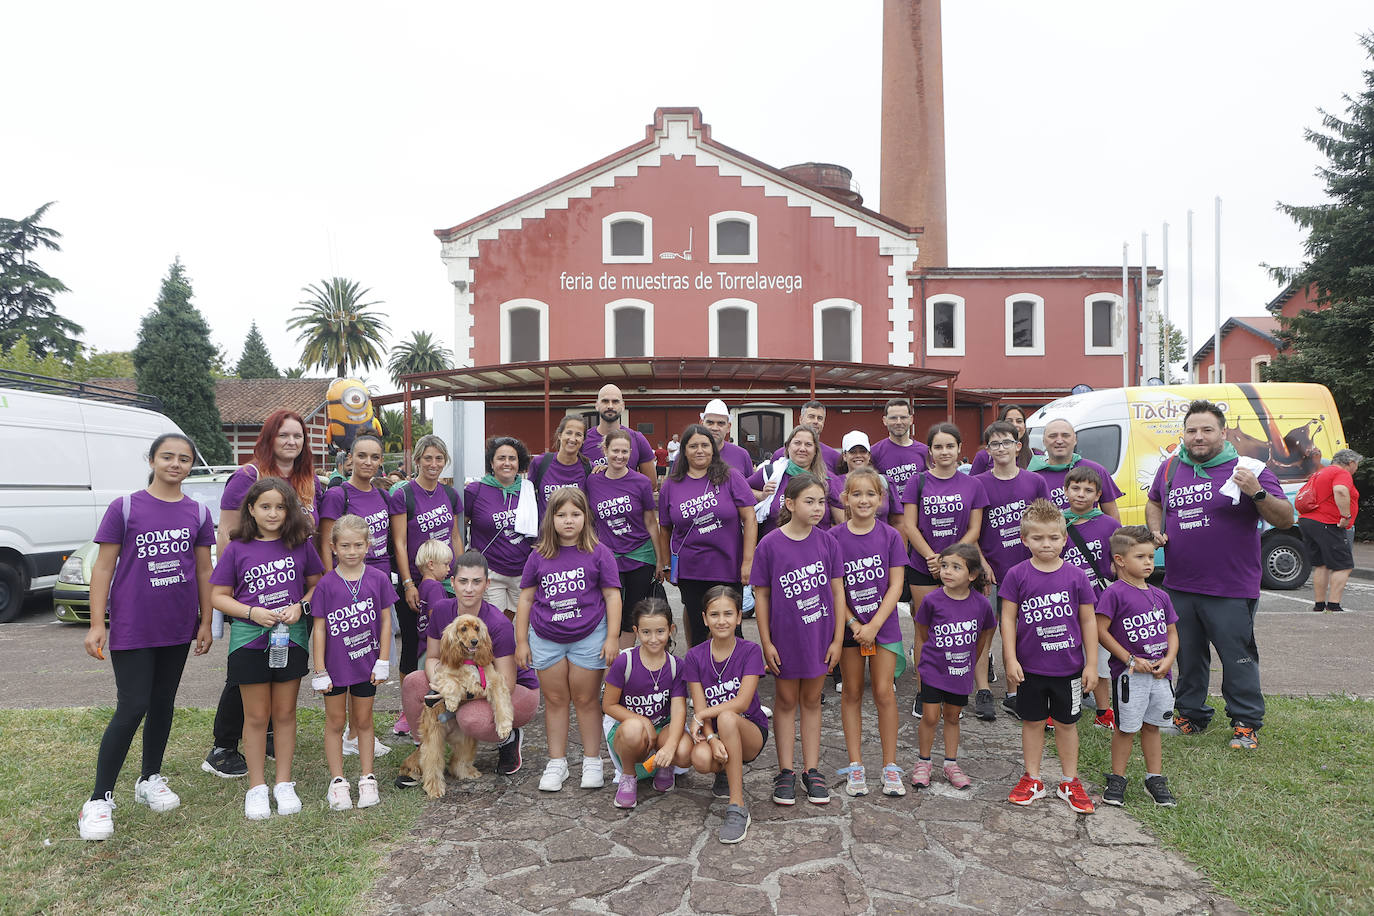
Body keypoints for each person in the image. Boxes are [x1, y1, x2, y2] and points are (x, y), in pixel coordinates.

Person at [79, 433, 215, 841]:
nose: (176, 464)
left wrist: (205, 622)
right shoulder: (126, 507)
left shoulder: (198, 512)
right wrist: (96, 622)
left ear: (192, 465)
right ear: (153, 460)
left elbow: (205, 571)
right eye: (168, 457)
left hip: (176, 625)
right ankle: (98, 800)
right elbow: (103, 568)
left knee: (162, 703)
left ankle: (149, 778)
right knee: (133, 704)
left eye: (184, 459)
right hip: (133, 624)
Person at [1145, 400, 1293, 749]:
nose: (1198, 437)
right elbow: (1154, 501)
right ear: (1184, 433)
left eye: (1207, 430)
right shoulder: (1169, 469)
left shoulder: (1247, 467)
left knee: (1237, 656)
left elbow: (1286, 518)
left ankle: (1245, 722)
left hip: (1230, 586)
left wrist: (1256, 492)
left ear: (1222, 433)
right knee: (1187, 656)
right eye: (1192, 430)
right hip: (1180, 583)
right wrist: (1155, 530)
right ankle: (1190, 715)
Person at [203, 409, 324, 780]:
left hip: (291, 584)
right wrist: (241, 587)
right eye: (284, 435)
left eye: (298, 436)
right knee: (246, 669)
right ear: (269, 438)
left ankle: (271, 734)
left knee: (282, 660)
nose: (292, 442)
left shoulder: (306, 480)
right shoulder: (248, 477)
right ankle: (224, 745)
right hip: (250, 591)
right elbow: (226, 532)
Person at [210, 478, 323, 819]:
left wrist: (300, 607)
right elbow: (218, 596)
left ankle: (284, 783)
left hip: (292, 639)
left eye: (280, 507)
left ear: (289, 511)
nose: (273, 513)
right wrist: (251, 612)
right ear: (251, 509)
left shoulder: (301, 544)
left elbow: (318, 586)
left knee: (285, 714)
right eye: (265, 506)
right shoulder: (236, 547)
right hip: (248, 641)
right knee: (257, 717)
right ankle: (257, 788)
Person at [397, 550, 541, 786]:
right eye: (463, 581)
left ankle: (508, 737)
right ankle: (426, 751)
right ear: (452, 582)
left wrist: (458, 695)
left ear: (487, 584)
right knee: (414, 682)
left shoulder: (497, 624)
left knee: (470, 718)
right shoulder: (442, 610)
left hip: (514, 691)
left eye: (476, 582)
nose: (469, 589)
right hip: (463, 676)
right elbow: (432, 657)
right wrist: (440, 685)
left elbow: (506, 682)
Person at [515, 487, 622, 792]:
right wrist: (521, 641)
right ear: (551, 518)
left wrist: (612, 636)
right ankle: (557, 762)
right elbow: (525, 600)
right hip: (546, 637)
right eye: (561, 515)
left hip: (589, 636)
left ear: (585, 517)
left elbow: (612, 596)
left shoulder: (599, 552)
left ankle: (592, 761)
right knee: (556, 700)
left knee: (587, 700)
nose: (569, 520)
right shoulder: (539, 555)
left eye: (575, 514)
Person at [999, 499, 1099, 814]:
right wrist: (1010, 659)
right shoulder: (1016, 575)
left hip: (1068, 669)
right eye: (1038, 538)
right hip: (1030, 668)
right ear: (1024, 539)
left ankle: (1070, 781)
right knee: (1033, 722)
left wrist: (1092, 663)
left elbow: (1088, 620)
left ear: (1064, 537)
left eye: (1053, 538)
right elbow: (1007, 619)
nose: (1046, 544)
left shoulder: (1076, 576)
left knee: (1067, 724)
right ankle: (1033, 779)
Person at [752, 474, 846, 807]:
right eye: (809, 501)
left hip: (820, 637)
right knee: (786, 701)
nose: (818, 508)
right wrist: (766, 642)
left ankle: (812, 769)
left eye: (822, 501)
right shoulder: (770, 544)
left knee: (812, 700)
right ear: (789, 504)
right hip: (785, 639)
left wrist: (837, 639)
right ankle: (786, 771)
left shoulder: (828, 542)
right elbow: (761, 597)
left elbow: (837, 592)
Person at [830, 466, 907, 797]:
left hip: (883, 626)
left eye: (870, 494)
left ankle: (890, 766)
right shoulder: (834, 538)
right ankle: (856, 764)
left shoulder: (890, 535)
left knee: (884, 692)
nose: (864, 500)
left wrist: (874, 625)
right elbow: (835, 590)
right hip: (849, 629)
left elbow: (896, 584)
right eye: (857, 494)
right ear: (845, 498)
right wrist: (853, 624)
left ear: (881, 499)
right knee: (851, 692)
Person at [318, 433, 396, 759]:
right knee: (346, 653)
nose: (367, 462)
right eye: (361, 456)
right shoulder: (338, 494)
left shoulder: (383, 495)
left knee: (369, 651)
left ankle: (358, 731)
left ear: (381, 461)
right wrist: (329, 583)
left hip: (375, 579)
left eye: (374, 457)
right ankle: (349, 732)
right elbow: (326, 543)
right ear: (350, 458)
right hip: (344, 582)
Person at [309, 513, 393, 810]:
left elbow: (385, 621)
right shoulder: (326, 585)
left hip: (366, 665)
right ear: (333, 547)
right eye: (345, 546)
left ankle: (367, 778)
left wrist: (383, 659)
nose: (352, 551)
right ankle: (338, 781)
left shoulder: (379, 579)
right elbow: (319, 627)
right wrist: (319, 669)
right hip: (334, 667)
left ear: (368, 545)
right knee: (335, 722)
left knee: (364, 721)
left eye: (358, 545)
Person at [675, 586, 768, 845]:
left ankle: (737, 806)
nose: (721, 620)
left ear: (739, 617)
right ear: (704, 618)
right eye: (714, 614)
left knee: (727, 715)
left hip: (749, 730)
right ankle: (724, 771)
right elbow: (700, 705)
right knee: (701, 758)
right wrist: (711, 738)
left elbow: (742, 702)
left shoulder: (750, 650)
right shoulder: (694, 656)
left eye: (728, 613)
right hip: (716, 731)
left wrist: (702, 714)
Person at [1096, 526, 1180, 808]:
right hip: (1130, 677)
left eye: (1151, 556)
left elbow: (1172, 633)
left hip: (1160, 675)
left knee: (1153, 726)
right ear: (1120, 560)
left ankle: (1154, 778)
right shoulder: (1114, 594)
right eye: (1141, 556)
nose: (1148, 562)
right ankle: (1117, 778)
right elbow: (1101, 631)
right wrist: (1129, 659)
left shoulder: (1161, 595)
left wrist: (1168, 660)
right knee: (1126, 728)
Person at [389, 434, 465, 737]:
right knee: (412, 644)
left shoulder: (451, 494)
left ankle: (444, 702)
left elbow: (456, 535)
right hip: (417, 582)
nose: (433, 464)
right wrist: (408, 583)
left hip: (446, 581)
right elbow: (398, 541)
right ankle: (407, 710)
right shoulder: (403, 494)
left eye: (439, 458)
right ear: (417, 460)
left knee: (445, 644)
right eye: (428, 458)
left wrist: (460, 575)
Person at [974, 419, 1050, 721]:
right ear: (988, 450)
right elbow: (973, 530)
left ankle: (1015, 693)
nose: (1001, 448)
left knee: (1021, 634)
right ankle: (982, 690)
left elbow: (1046, 525)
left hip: (1028, 573)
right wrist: (981, 562)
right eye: (994, 443)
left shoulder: (1034, 482)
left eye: (1006, 442)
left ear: (1018, 446)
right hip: (991, 573)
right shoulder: (979, 483)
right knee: (984, 631)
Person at [657, 424, 758, 647]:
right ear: (683, 451)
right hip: (691, 571)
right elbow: (664, 528)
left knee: (731, 628)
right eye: (693, 446)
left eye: (704, 445)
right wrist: (665, 563)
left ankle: (735, 677)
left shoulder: (731, 477)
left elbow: (750, 518)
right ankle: (699, 677)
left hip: (728, 567)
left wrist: (748, 562)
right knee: (698, 626)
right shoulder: (671, 485)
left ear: (713, 449)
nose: (699, 450)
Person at [911, 544, 997, 791]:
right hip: (933, 670)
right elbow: (923, 632)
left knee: (952, 717)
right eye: (945, 565)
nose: (947, 571)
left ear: (971, 575)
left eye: (956, 567)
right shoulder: (931, 600)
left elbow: (982, 637)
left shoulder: (981, 605)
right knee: (930, 716)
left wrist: (967, 663)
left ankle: (950, 763)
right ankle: (924, 762)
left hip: (960, 673)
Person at [601, 597, 687, 809]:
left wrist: (671, 746)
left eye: (660, 631)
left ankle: (665, 765)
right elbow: (608, 705)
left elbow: (678, 711)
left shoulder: (676, 666)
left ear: (671, 630)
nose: (653, 638)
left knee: (684, 750)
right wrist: (642, 721)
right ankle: (628, 775)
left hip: (662, 726)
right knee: (633, 729)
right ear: (636, 631)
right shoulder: (625, 660)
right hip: (628, 729)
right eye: (646, 632)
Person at [587, 428, 667, 650]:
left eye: (625, 452)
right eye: (615, 451)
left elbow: (651, 521)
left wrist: (660, 560)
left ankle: (625, 664)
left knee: (632, 613)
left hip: (640, 555)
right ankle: (609, 668)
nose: (619, 456)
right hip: (608, 557)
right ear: (605, 450)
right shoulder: (592, 481)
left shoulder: (640, 482)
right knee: (609, 612)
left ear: (631, 453)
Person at [900, 423, 989, 613]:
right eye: (938, 447)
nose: (944, 452)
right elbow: (909, 526)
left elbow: (974, 529)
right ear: (930, 450)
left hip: (961, 565)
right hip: (924, 565)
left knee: (960, 623)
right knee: (925, 627)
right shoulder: (917, 481)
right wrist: (933, 559)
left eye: (950, 446)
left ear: (959, 448)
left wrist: (947, 559)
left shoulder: (974, 485)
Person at [1060, 466, 1121, 729]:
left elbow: (1120, 563)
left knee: (1100, 660)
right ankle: (1062, 709)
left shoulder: (1109, 524)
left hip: (1099, 604)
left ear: (1098, 495)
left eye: (1088, 490)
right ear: (1065, 491)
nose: (1081, 494)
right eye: (1075, 488)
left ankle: (1104, 711)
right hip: (1064, 604)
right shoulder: (1056, 523)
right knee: (1064, 657)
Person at [464, 436, 536, 618]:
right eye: (501, 458)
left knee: (520, 627)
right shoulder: (475, 490)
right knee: (494, 625)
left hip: (523, 572)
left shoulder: (528, 490)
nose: (507, 463)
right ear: (491, 462)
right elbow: (459, 526)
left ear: (519, 462)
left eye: (512, 458)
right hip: (491, 572)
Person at [749, 425, 845, 536]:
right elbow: (742, 490)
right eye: (797, 443)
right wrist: (761, 496)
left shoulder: (828, 480)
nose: (802, 449)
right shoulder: (771, 473)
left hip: (815, 548)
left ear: (815, 451)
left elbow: (841, 522)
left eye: (808, 444)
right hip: (775, 548)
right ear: (788, 447)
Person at [1298, 448, 1362, 613]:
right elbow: (1340, 490)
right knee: (1344, 565)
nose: (1357, 469)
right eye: (1357, 465)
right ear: (1351, 463)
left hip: (1308, 521)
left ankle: (1319, 605)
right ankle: (1334, 605)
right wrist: (1345, 516)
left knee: (1322, 564)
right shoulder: (1341, 473)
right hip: (1326, 522)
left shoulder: (1321, 473)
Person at [1031, 418, 1122, 518]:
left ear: (1075, 440)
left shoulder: (1096, 470)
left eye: (1065, 435)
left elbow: (1113, 518)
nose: (1059, 441)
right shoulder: (1033, 476)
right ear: (1044, 441)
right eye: (1053, 436)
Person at [869, 398, 929, 528]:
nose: (898, 422)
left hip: (920, 520)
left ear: (911, 420)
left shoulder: (924, 451)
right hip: (890, 523)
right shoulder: (874, 452)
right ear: (884, 420)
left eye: (903, 417)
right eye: (893, 418)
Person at [582, 384, 659, 482]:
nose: (610, 406)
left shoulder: (637, 439)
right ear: (597, 405)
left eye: (615, 401)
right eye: (605, 401)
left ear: (622, 406)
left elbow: (651, 484)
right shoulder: (583, 440)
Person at [530, 415, 593, 516]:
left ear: (583, 440)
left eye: (578, 434)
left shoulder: (589, 468)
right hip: (546, 530)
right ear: (560, 435)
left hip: (577, 531)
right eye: (568, 433)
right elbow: (526, 498)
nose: (572, 439)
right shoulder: (540, 463)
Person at [770, 400, 842, 473]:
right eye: (811, 417)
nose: (816, 421)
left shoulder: (834, 457)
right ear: (801, 419)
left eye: (820, 418)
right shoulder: (779, 455)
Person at [968, 405, 1034, 475]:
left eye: (1019, 421)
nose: (1015, 425)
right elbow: (973, 484)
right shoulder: (984, 456)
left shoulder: (1035, 456)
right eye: (1009, 421)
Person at [701, 398, 756, 478]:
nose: (715, 428)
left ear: (728, 427)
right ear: (701, 424)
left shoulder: (741, 455)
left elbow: (750, 488)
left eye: (720, 423)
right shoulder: (688, 455)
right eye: (710, 423)